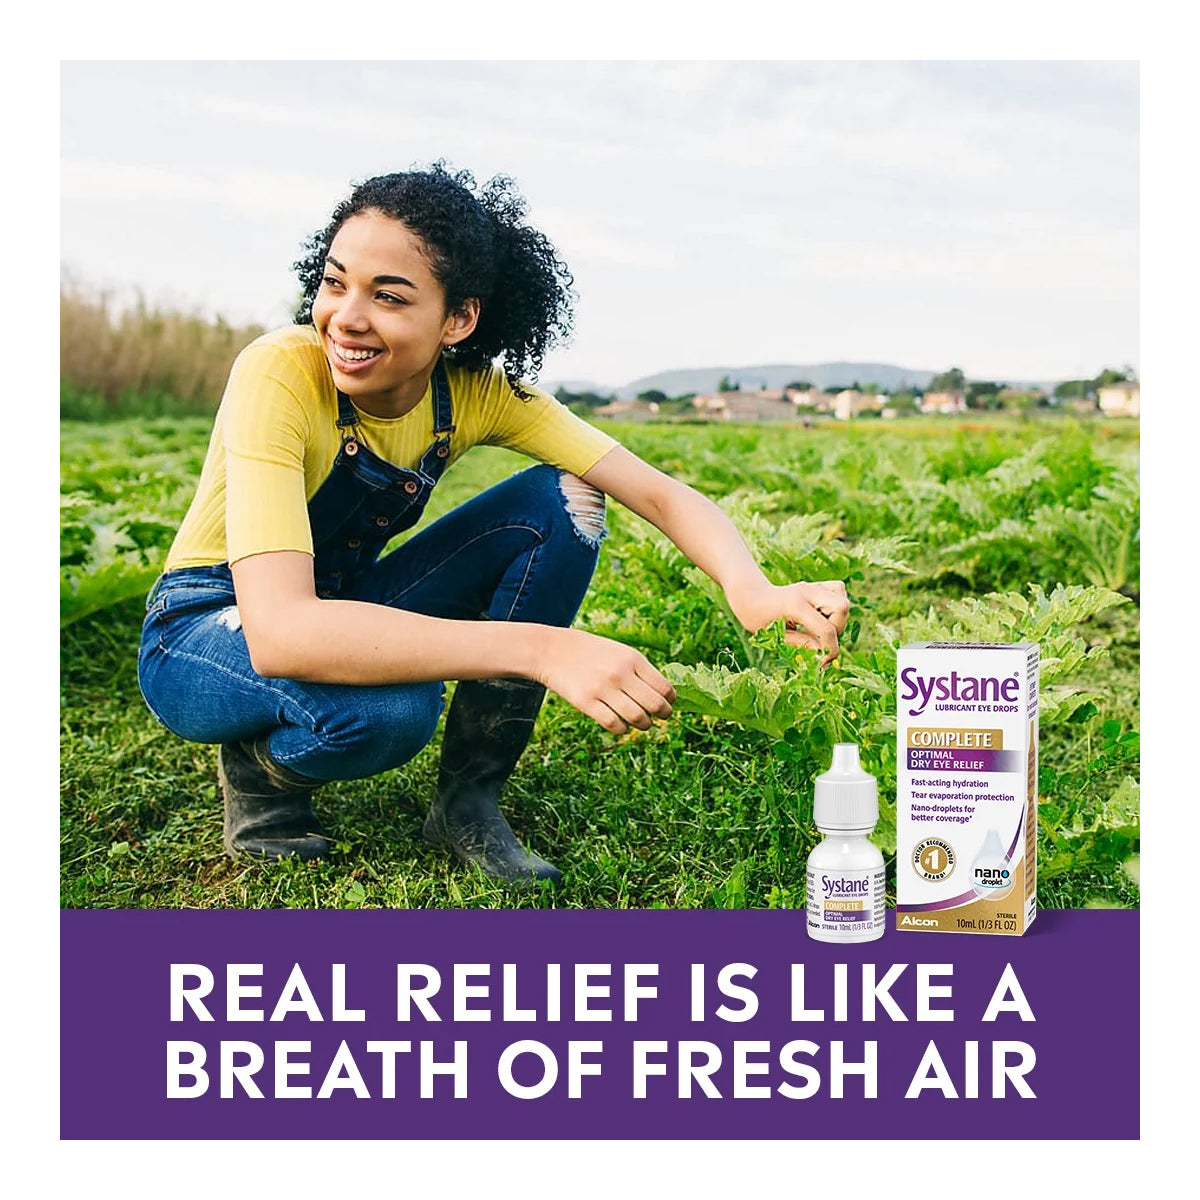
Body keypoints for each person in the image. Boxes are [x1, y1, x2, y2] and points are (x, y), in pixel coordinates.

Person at [137, 162, 849, 886]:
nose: (346, 317)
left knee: (560, 501)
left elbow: (660, 494)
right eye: (334, 281)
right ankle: (261, 774)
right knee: (392, 712)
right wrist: (543, 650)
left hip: (335, 607)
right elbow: (283, 630)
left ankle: (468, 799)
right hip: (205, 631)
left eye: (388, 296)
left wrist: (754, 590)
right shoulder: (280, 370)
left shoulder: (476, 394)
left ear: (459, 319)